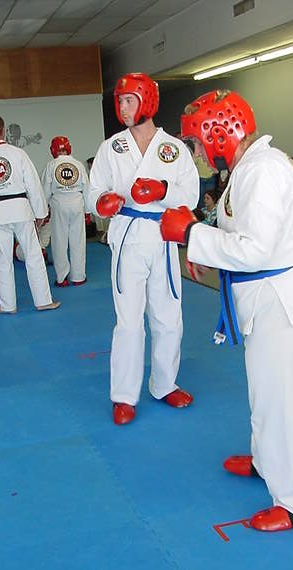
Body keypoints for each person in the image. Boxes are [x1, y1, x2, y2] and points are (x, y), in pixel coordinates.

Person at [159, 90, 293, 532]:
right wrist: (203, 241)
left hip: (286, 305)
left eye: (197, 142)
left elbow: (256, 249)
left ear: (220, 134)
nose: (197, 152)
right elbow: (242, 227)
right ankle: (266, 461)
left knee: (282, 401)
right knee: (264, 389)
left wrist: (192, 234)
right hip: (274, 300)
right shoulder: (250, 168)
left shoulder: (263, 171)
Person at [87, 72, 199, 425]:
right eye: (119, 101)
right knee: (129, 321)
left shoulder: (173, 148)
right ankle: (124, 395)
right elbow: (94, 191)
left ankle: (165, 384)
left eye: (129, 100)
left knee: (168, 316)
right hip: (128, 237)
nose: (123, 107)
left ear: (147, 100)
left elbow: (192, 195)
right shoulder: (111, 148)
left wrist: (163, 189)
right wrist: (101, 202)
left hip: (163, 235)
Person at [0, 114, 60, 313]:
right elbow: (33, 185)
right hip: (21, 209)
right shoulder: (18, 153)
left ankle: (7, 305)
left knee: (2, 260)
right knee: (33, 255)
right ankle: (43, 301)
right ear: (3, 130)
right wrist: (41, 212)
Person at [41, 136, 89, 286]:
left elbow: (45, 190)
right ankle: (78, 276)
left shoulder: (51, 165)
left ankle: (62, 278)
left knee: (59, 242)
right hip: (77, 204)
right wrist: (88, 211)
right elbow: (87, 188)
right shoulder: (78, 165)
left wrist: (43, 211)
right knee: (78, 241)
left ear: (53, 150)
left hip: (59, 204)